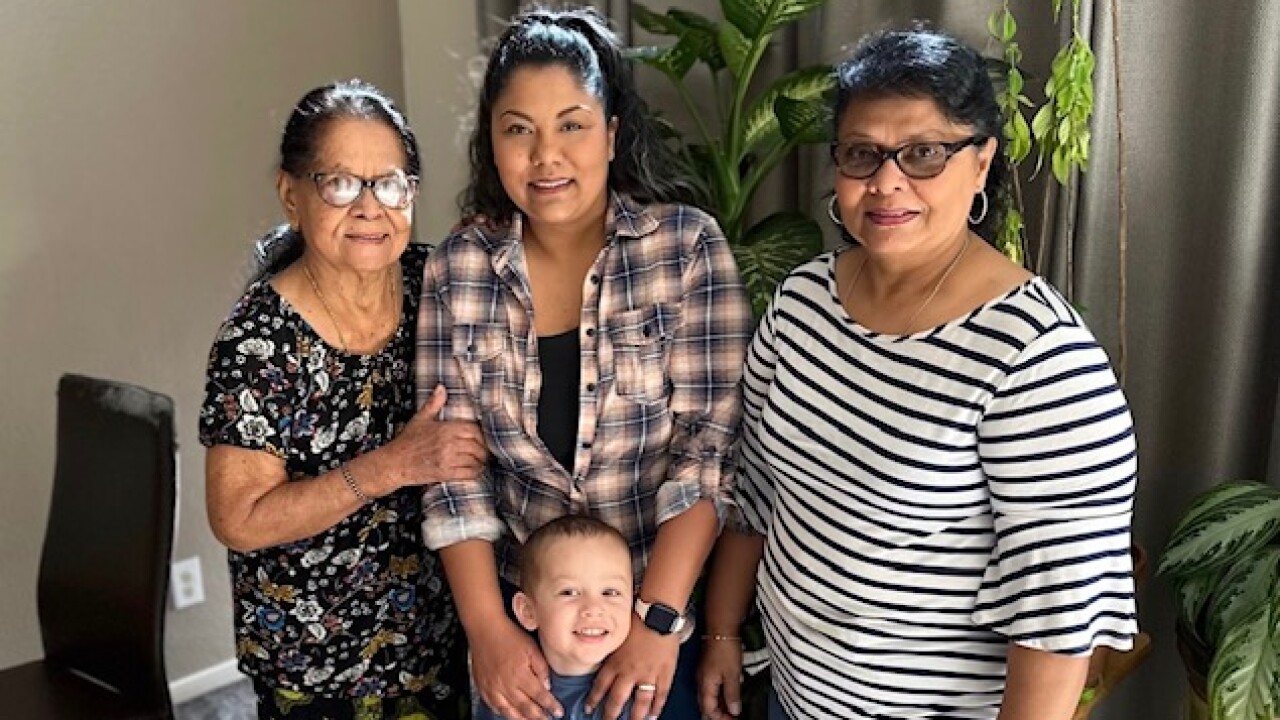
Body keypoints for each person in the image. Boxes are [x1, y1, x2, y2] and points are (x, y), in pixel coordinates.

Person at [697, 28, 1139, 720]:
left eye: (924, 153)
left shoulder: (1039, 357)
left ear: (982, 161)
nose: (886, 182)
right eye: (861, 154)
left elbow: (1056, 623)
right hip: (791, 696)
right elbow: (752, 489)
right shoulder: (802, 300)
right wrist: (723, 632)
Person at [413, 7, 754, 720]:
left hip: (652, 621)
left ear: (612, 133)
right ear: (490, 142)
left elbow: (707, 455)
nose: (546, 156)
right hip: (525, 633)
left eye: (571, 125)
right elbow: (453, 473)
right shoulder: (460, 267)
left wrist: (656, 621)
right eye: (519, 130)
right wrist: (489, 633)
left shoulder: (685, 250)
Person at [199, 79, 486, 720]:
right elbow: (239, 519)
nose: (369, 207)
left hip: (438, 637)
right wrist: (393, 465)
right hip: (317, 665)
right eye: (340, 184)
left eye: (389, 183)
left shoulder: (434, 282)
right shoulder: (258, 340)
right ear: (291, 194)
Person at [476, 515, 637, 720]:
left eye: (610, 592)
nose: (593, 608)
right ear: (528, 611)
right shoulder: (511, 690)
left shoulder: (641, 689)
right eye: (569, 592)